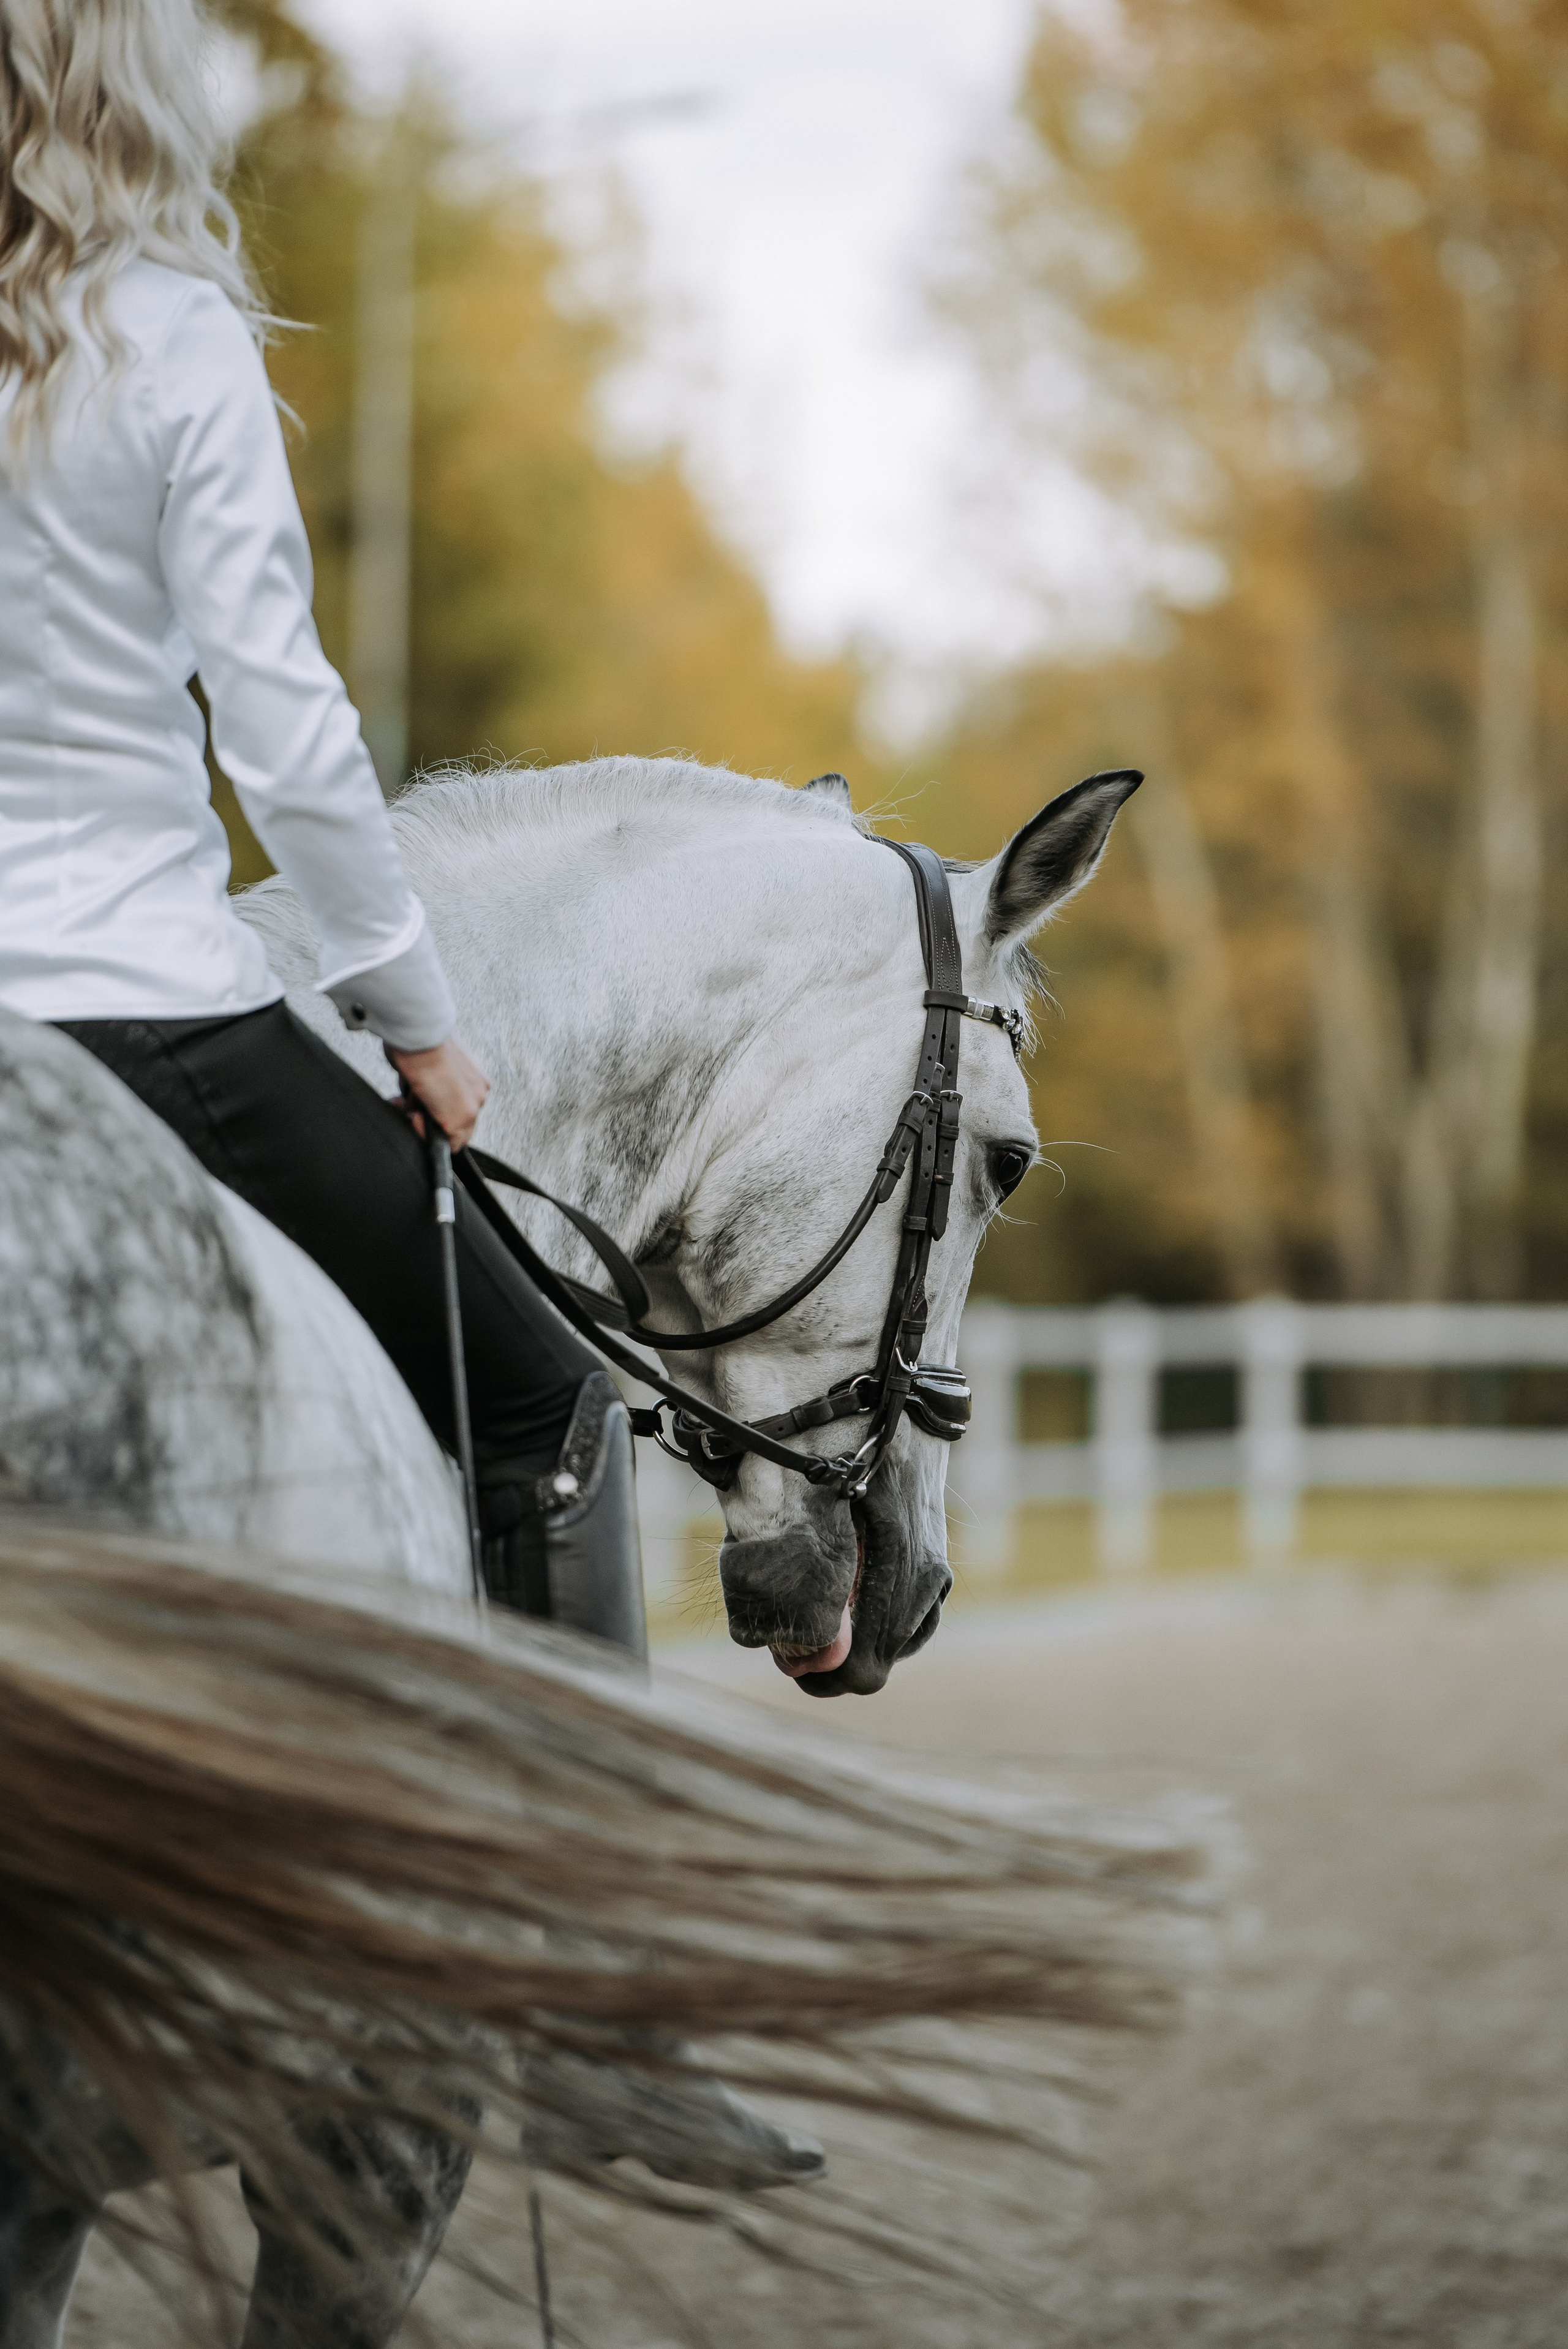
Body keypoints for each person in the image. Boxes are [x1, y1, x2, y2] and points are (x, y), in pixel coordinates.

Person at [0, 0, 823, 2197]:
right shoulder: (161, 338)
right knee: (547, 1402)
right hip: (142, 1008)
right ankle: (587, 2012)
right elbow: (282, 729)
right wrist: (421, 1014)